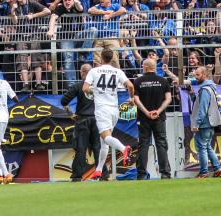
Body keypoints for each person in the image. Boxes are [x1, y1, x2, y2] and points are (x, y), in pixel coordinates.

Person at [82, 48, 134, 179]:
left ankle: (124, 149)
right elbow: (131, 86)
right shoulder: (117, 71)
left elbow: (85, 88)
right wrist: (132, 99)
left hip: (102, 109)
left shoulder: (94, 71)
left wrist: (93, 92)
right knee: (104, 142)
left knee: (105, 138)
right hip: (114, 109)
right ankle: (98, 170)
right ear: (111, 58)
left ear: (100, 57)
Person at [132, 58, 172, 180]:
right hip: (159, 118)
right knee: (161, 144)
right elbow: (168, 99)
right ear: (154, 67)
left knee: (143, 144)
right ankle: (165, 173)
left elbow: (136, 100)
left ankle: (141, 174)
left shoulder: (138, 81)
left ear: (145, 67)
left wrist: (146, 112)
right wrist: (158, 111)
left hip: (144, 118)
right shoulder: (163, 81)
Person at [61, 63, 100, 182]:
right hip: (97, 119)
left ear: (81, 73)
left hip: (82, 120)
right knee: (98, 148)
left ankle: (77, 176)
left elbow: (64, 101)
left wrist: (70, 114)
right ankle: (103, 174)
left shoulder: (78, 86)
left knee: (81, 149)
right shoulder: (98, 86)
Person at [190, 66, 221, 178]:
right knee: (207, 147)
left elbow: (203, 109)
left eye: (198, 75)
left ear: (204, 75)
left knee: (202, 148)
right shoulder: (210, 88)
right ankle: (217, 169)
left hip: (204, 124)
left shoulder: (205, 90)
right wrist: (192, 94)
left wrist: (196, 123)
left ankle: (204, 172)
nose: (195, 77)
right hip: (209, 123)